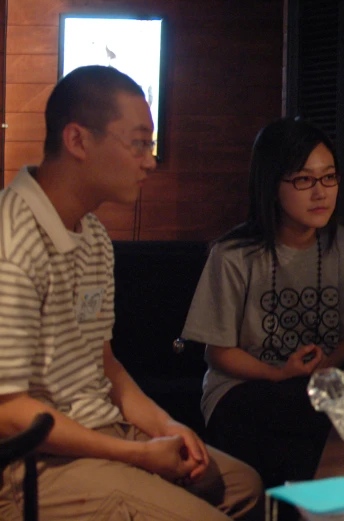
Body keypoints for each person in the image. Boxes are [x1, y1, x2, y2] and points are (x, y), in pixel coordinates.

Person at [0, 66, 262, 520]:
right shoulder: (13, 239)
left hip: (100, 429)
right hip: (31, 462)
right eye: (139, 143)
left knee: (243, 486)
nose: (150, 161)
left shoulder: (95, 237)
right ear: (78, 140)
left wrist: (167, 425)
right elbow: (7, 413)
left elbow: (103, 362)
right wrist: (136, 456)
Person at [180, 117, 344, 494]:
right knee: (295, 437)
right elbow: (218, 353)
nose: (320, 192)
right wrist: (281, 374)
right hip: (241, 388)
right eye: (303, 179)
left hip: (314, 391)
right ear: (271, 185)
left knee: (342, 430)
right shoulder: (234, 255)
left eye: (329, 177)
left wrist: (319, 371)